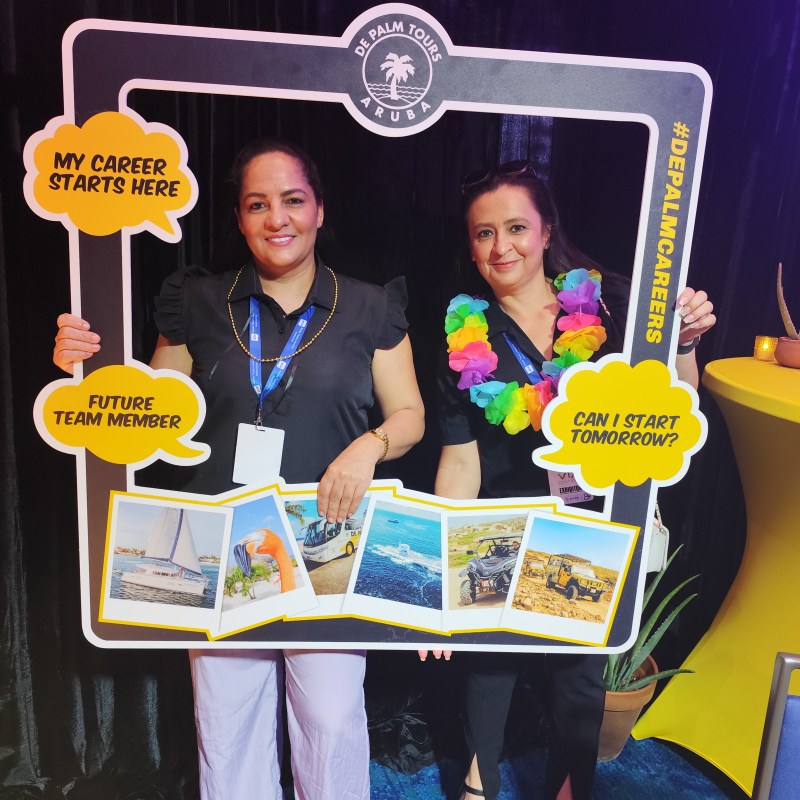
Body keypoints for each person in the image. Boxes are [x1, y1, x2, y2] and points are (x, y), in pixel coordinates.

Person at [53, 137, 426, 800]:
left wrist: (369, 445)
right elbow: (152, 418)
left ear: (319, 211)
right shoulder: (197, 301)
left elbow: (410, 416)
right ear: (238, 218)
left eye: (291, 201)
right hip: (217, 545)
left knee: (332, 724)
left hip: (329, 543)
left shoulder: (370, 307)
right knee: (227, 729)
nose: (275, 219)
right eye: (257, 204)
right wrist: (86, 370)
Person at [423, 160, 715, 800]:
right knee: (489, 664)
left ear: (547, 228)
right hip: (498, 519)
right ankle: (480, 781)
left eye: (517, 227)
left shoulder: (607, 303)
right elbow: (460, 456)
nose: (502, 247)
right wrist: (445, 555)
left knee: (579, 674)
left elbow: (673, 407)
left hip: (586, 519)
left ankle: (571, 786)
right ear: (469, 249)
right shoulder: (461, 330)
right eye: (483, 234)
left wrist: (684, 341)